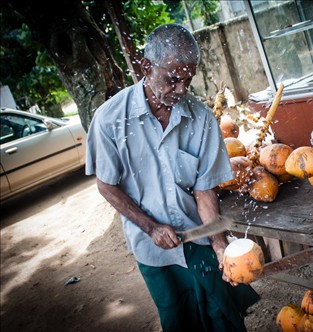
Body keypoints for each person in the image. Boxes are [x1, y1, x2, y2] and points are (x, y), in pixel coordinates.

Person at [85, 23, 259, 332]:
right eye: (172, 79)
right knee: (179, 320)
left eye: (188, 80)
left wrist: (218, 244)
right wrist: (150, 226)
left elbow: (204, 191)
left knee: (223, 316)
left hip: (198, 239)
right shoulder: (110, 120)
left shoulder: (202, 119)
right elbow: (106, 185)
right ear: (145, 67)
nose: (181, 90)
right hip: (153, 250)